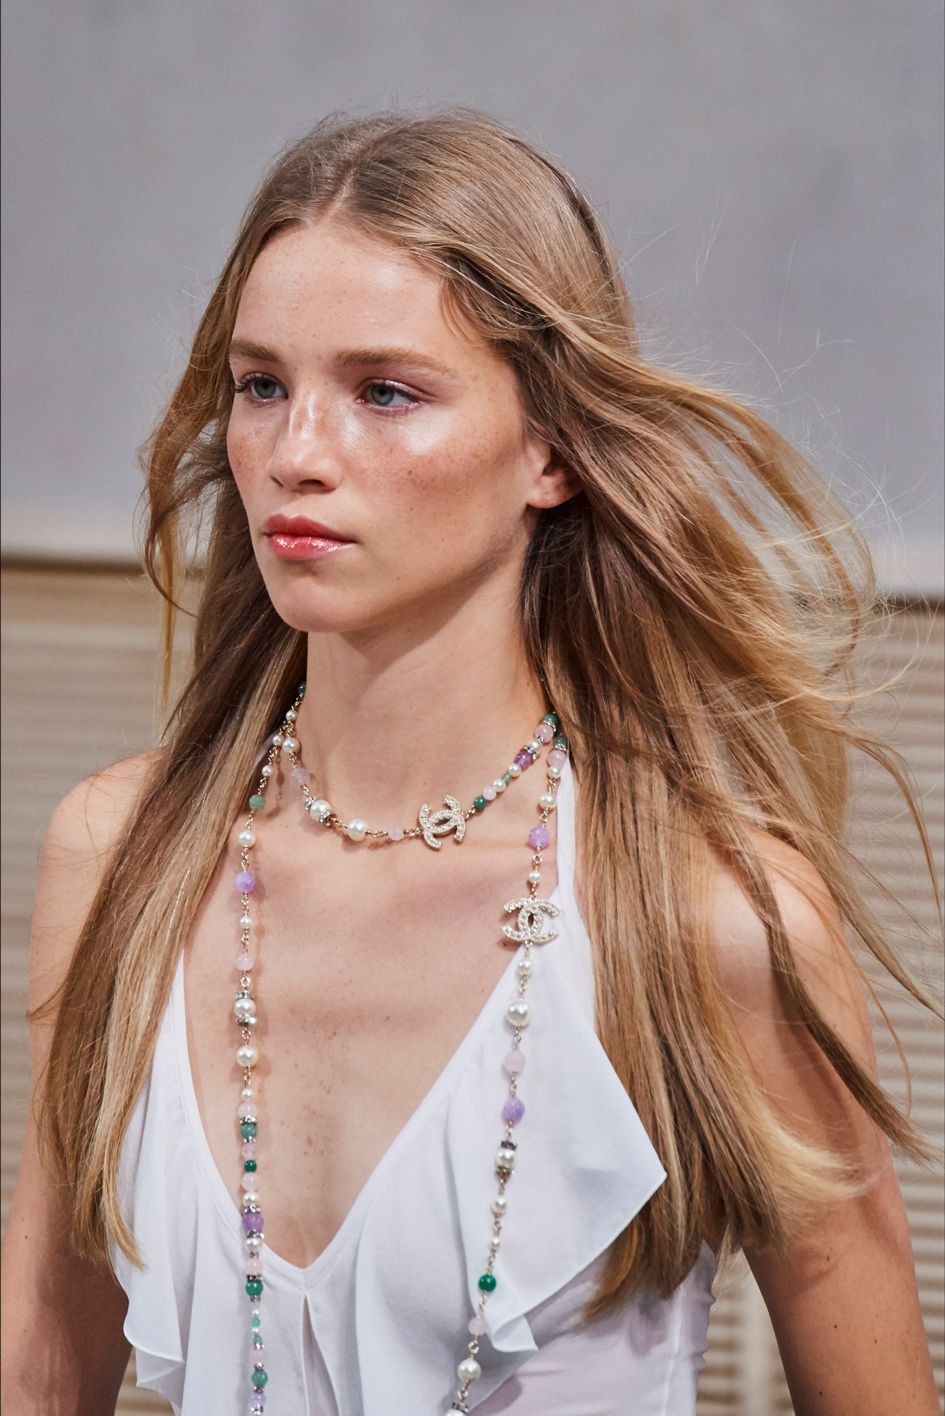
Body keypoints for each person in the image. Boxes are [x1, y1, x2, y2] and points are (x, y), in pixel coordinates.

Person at [1, 107, 940, 1416]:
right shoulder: (121, 858)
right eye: (261, 385)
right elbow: (42, 1368)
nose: (296, 454)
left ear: (549, 450)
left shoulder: (706, 921)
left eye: (384, 392)